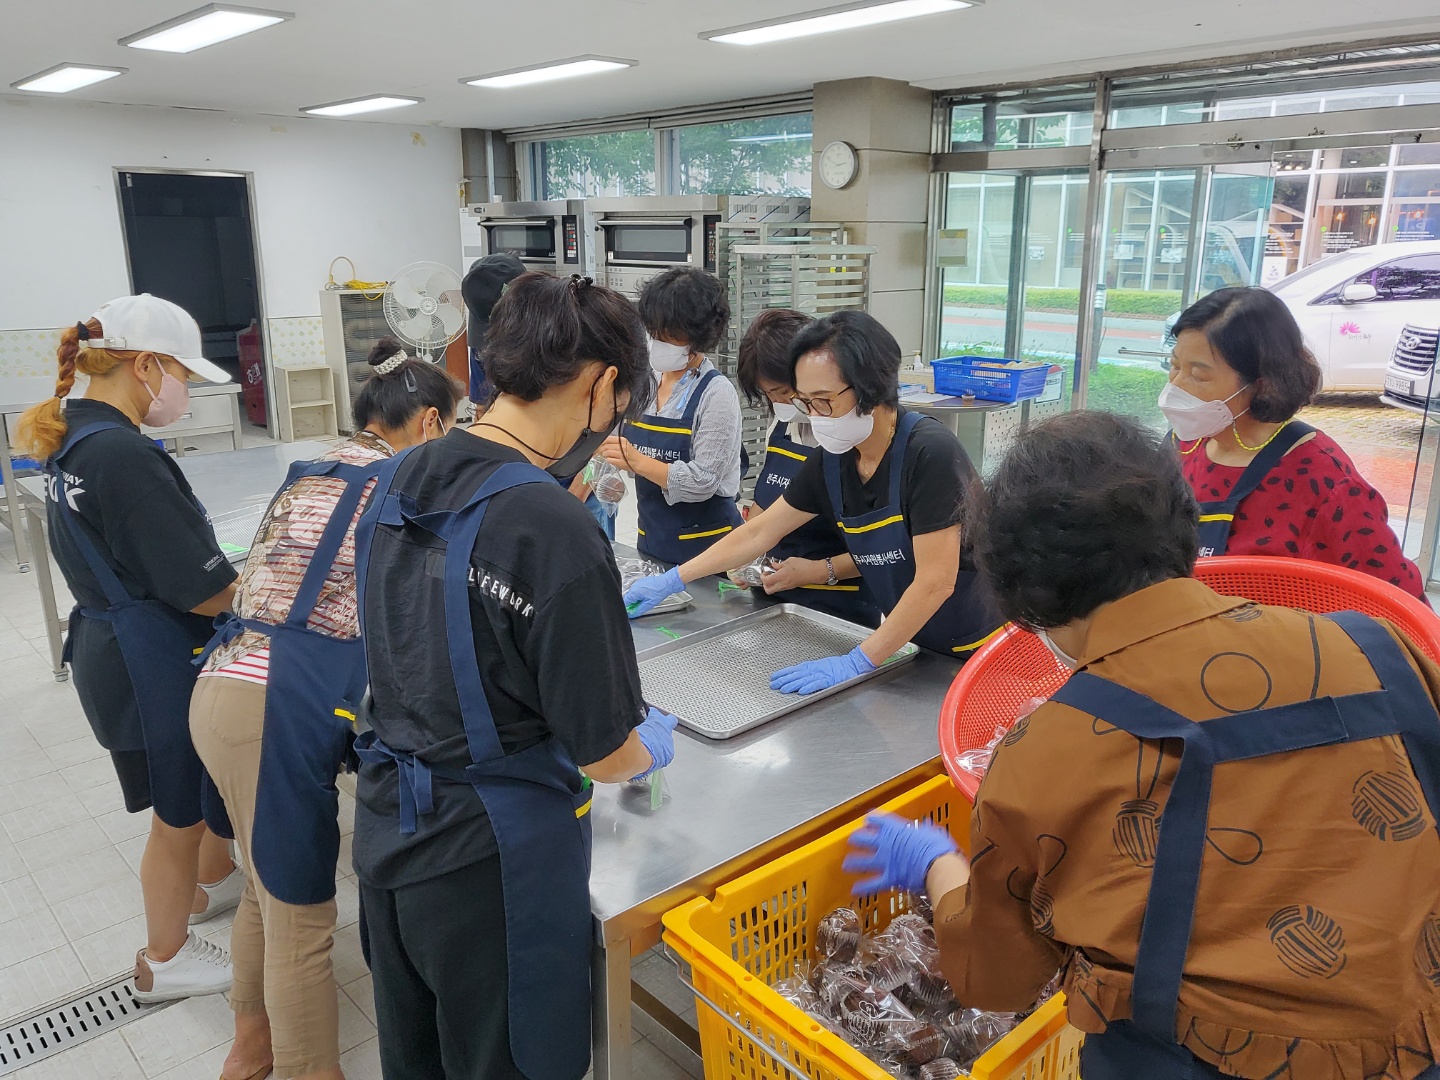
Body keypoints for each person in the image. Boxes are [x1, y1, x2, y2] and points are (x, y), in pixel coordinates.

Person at [845, 410, 1440, 1080]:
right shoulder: (1379, 649)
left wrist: (936, 866)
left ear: (1026, 590)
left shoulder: (1052, 747)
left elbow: (997, 979)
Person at [350, 273, 679, 1080]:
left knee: (420, 1060)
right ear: (603, 383)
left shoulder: (398, 473)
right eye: (621, 402)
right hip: (490, 865)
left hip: (388, 829)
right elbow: (606, 754)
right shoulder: (550, 525)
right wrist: (650, 749)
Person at [189, 339, 463, 1080]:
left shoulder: (314, 469)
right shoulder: (398, 488)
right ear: (431, 423)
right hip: (270, 705)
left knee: (263, 888)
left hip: (221, 685)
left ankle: (251, 1046)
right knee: (303, 917)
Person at [15, 294, 241, 1003]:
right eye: (181, 374)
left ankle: (209, 883)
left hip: (112, 644)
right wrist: (265, 594)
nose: (185, 392)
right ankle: (163, 960)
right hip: (151, 659)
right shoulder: (123, 455)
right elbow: (203, 589)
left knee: (192, 793)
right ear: (145, 366)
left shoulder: (76, 437)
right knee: (176, 817)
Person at [625, 310, 1002, 693]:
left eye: (823, 401)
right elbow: (759, 532)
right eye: (805, 402)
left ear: (870, 388)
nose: (815, 416)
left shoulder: (930, 453)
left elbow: (936, 582)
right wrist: (675, 579)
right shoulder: (834, 459)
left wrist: (859, 660)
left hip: (981, 647)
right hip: (913, 640)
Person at [1162, 286, 1425, 599]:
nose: (1176, 385)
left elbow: (1397, 601)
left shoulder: (1326, 483)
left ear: (1261, 384)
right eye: (1175, 366)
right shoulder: (1180, 446)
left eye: (1198, 375)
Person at [735, 308, 880, 627]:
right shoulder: (782, 425)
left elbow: (884, 549)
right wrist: (744, 555)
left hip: (839, 607)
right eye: (769, 395)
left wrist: (817, 571)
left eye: (782, 392)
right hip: (774, 600)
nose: (778, 403)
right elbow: (764, 507)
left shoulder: (851, 436)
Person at [464, 254, 616, 539]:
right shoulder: (483, 351)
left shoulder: (576, 339)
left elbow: (606, 436)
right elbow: (482, 412)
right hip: (518, 485)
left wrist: (573, 496)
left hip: (578, 486)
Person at [598, 266, 743, 565]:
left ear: (699, 337)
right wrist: (605, 475)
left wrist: (637, 461)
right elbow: (611, 439)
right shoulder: (645, 382)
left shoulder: (716, 393)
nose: (658, 343)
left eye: (670, 335)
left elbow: (702, 481)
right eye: (654, 332)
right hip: (652, 538)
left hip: (709, 548)